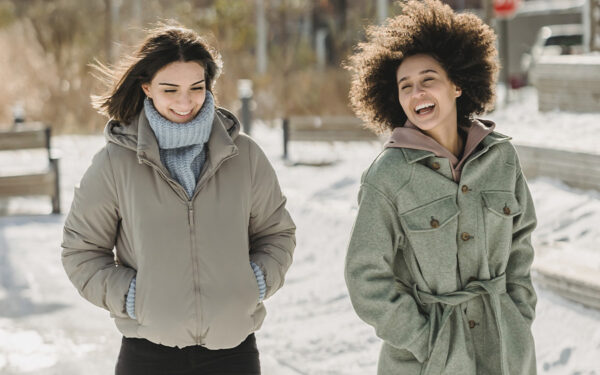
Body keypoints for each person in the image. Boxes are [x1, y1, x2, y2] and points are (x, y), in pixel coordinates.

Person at [61, 24, 296, 375]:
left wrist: (253, 285)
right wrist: (133, 298)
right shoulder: (116, 162)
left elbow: (277, 234)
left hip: (232, 352)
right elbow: (81, 252)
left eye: (196, 88)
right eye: (170, 89)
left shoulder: (244, 155)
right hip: (148, 354)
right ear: (147, 88)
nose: (185, 102)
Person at [344, 1, 537, 374]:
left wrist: (519, 312)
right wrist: (425, 339)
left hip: (505, 351)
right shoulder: (388, 176)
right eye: (406, 86)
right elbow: (365, 277)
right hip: (426, 362)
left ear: (457, 84)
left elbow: (521, 242)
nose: (417, 93)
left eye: (428, 79)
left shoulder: (502, 158)